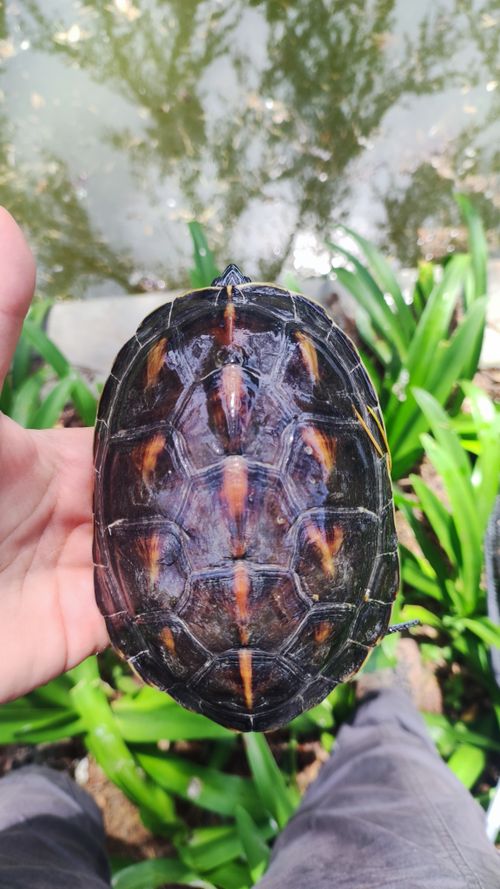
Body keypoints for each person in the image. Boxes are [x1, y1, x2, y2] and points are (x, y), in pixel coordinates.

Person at [0, 208, 498, 889]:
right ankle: (384, 720)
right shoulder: (305, 344)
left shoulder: (164, 355)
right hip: (253, 646)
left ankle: (45, 791)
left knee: (28, 836)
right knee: (402, 809)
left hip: (187, 654)